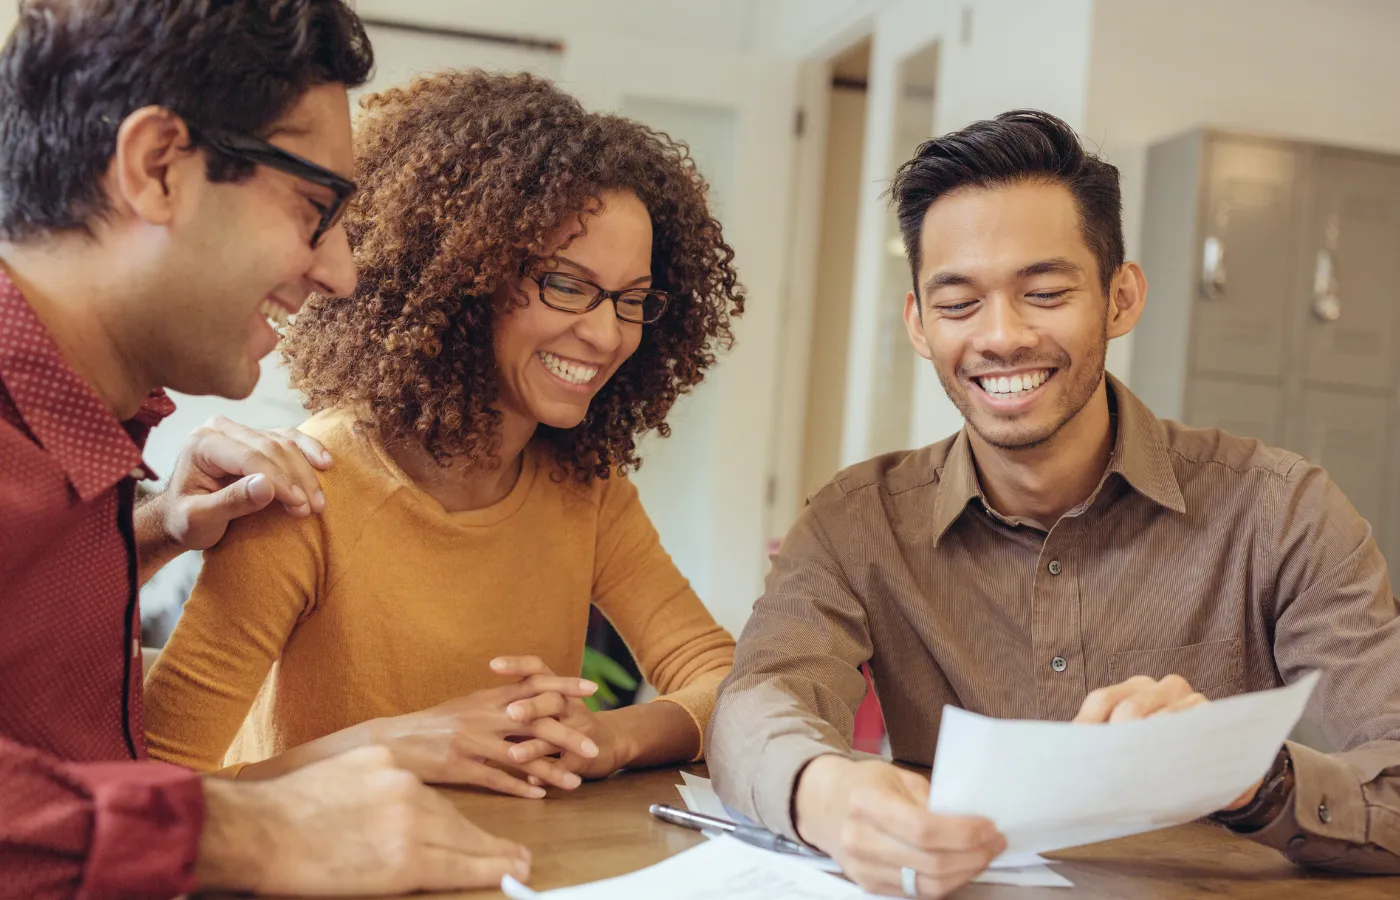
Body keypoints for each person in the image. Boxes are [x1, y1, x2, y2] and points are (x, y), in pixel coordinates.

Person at [706, 109, 1400, 898]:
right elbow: (756, 702)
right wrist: (821, 790)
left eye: (1042, 291)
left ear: (1122, 297)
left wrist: (1248, 775)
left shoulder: (1282, 513)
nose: (1000, 337)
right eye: (959, 303)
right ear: (919, 325)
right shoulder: (855, 522)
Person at [0, 2, 533, 897]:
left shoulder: (78, 435)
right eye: (315, 208)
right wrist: (241, 831)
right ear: (158, 167)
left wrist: (150, 530)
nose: (340, 273)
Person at [142, 70, 739, 796]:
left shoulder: (586, 492)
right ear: (466, 275)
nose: (608, 332)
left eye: (634, 299)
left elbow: (722, 680)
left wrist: (607, 736)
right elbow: (156, 787)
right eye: (568, 285)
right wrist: (383, 752)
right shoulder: (306, 488)